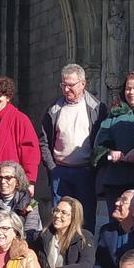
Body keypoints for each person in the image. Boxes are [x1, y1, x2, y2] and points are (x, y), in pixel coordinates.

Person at [39, 63, 108, 231]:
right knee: (60, 220)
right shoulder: (54, 109)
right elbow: (43, 140)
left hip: (85, 172)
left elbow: (104, 140)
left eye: (71, 85)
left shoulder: (97, 108)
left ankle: (84, 254)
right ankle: (61, 255)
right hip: (60, 172)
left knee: (85, 220)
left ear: (83, 84)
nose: (66, 89)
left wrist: (95, 167)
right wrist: (52, 167)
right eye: (64, 85)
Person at [94, 71, 134, 218]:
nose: (131, 92)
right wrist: (109, 153)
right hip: (115, 181)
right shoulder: (114, 114)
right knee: (116, 225)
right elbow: (98, 145)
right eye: (128, 88)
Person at [0, 75, 40, 188]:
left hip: (11, 181)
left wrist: (30, 181)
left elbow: (30, 152)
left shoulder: (20, 119)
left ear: (8, 97)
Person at [35, 196, 95, 268]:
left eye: (64, 213)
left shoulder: (84, 237)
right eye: (56, 210)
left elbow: (86, 266)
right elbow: (37, 260)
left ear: (74, 217)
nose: (57, 215)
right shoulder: (44, 236)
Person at [0, 160, 42, 243]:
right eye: (0, 178)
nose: (3, 182)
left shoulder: (32, 203)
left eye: (8, 178)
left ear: (18, 181)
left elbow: (29, 234)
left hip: (21, 246)